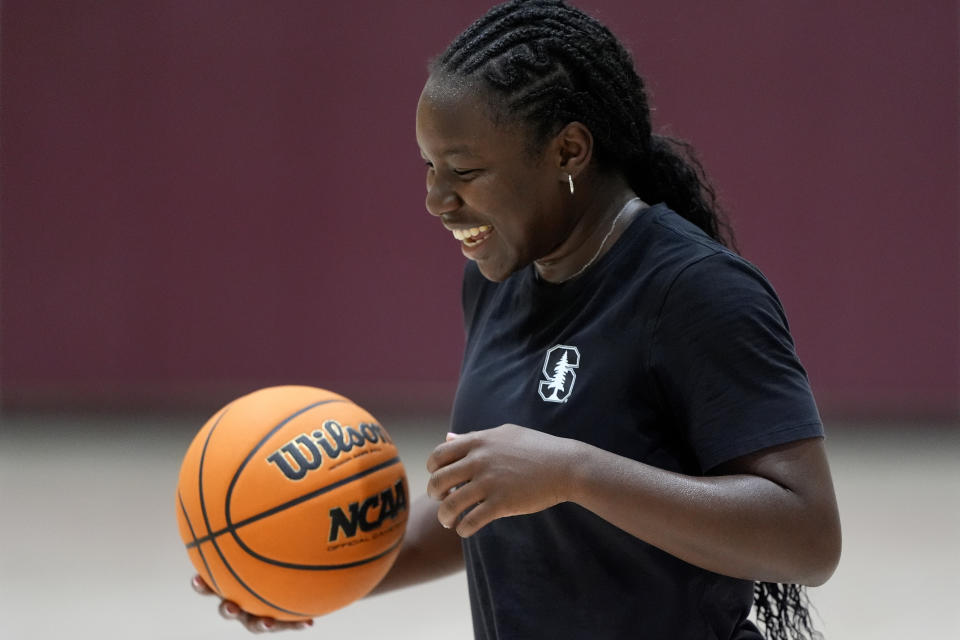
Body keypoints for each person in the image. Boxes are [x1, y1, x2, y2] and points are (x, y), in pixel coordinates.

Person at [193, 1, 841, 637]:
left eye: (464, 171)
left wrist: (573, 473)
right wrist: (301, 573)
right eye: (429, 167)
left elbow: (808, 538)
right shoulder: (496, 279)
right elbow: (503, 514)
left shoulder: (693, 290)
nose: (436, 200)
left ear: (568, 151)